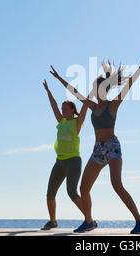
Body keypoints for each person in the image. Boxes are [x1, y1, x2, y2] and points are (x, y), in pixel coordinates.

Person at [49, 51, 140, 234]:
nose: (95, 92)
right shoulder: (92, 106)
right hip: (98, 150)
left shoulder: (113, 104)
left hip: (112, 146)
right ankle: (88, 221)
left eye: (98, 89)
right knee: (84, 187)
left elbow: (129, 85)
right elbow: (74, 91)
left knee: (116, 184)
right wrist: (58, 78)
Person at [40, 79, 91, 230]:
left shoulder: (77, 122)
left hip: (73, 161)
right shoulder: (61, 121)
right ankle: (53, 221)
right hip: (59, 162)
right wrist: (48, 92)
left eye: (65, 108)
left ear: (72, 110)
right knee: (50, 193)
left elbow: (85, 107)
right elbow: (53, 106)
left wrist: (90, 94)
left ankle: (89, 220)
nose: (62, 111)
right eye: (62, 109)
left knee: (72, 192)